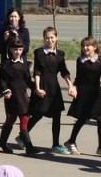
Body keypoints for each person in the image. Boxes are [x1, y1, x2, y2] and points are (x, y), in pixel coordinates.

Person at [64, 36, 101, 157]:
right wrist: (73, 88)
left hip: (96, 94)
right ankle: (71, 141)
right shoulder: (80, 60)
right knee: (82, 119)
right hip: (83, 93)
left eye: (88, 45)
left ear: (95, 47)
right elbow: (78, 77)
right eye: (83, 46)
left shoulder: (100, 60)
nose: (85, 48)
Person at [28, 26, 73, 155]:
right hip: (42, 85)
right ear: (44, 39)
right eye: (47, 38)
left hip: (54, 87)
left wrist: (70, 85)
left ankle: (55, 144)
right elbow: (37, 71)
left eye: (52, 37)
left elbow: (64, 71)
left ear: (56, 38)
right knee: (39, 113)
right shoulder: (39, 53)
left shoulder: (60, 54)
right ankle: (23, 135)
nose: (49, 40)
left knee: (57, 116)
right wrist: (37, 88)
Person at [0, 37, 33, 154]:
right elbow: (2, 81)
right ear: (11, 50)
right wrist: (6, 90)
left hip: (23, 97)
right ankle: (2, 143)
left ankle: (29, 147)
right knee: (10, 120)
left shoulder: (26, 64)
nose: (18, 52)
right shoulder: (5, 65)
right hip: (11, 97)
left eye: (20, 49)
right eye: (15, 49)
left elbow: (28, 80)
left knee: (24, 119)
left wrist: (36, 89)